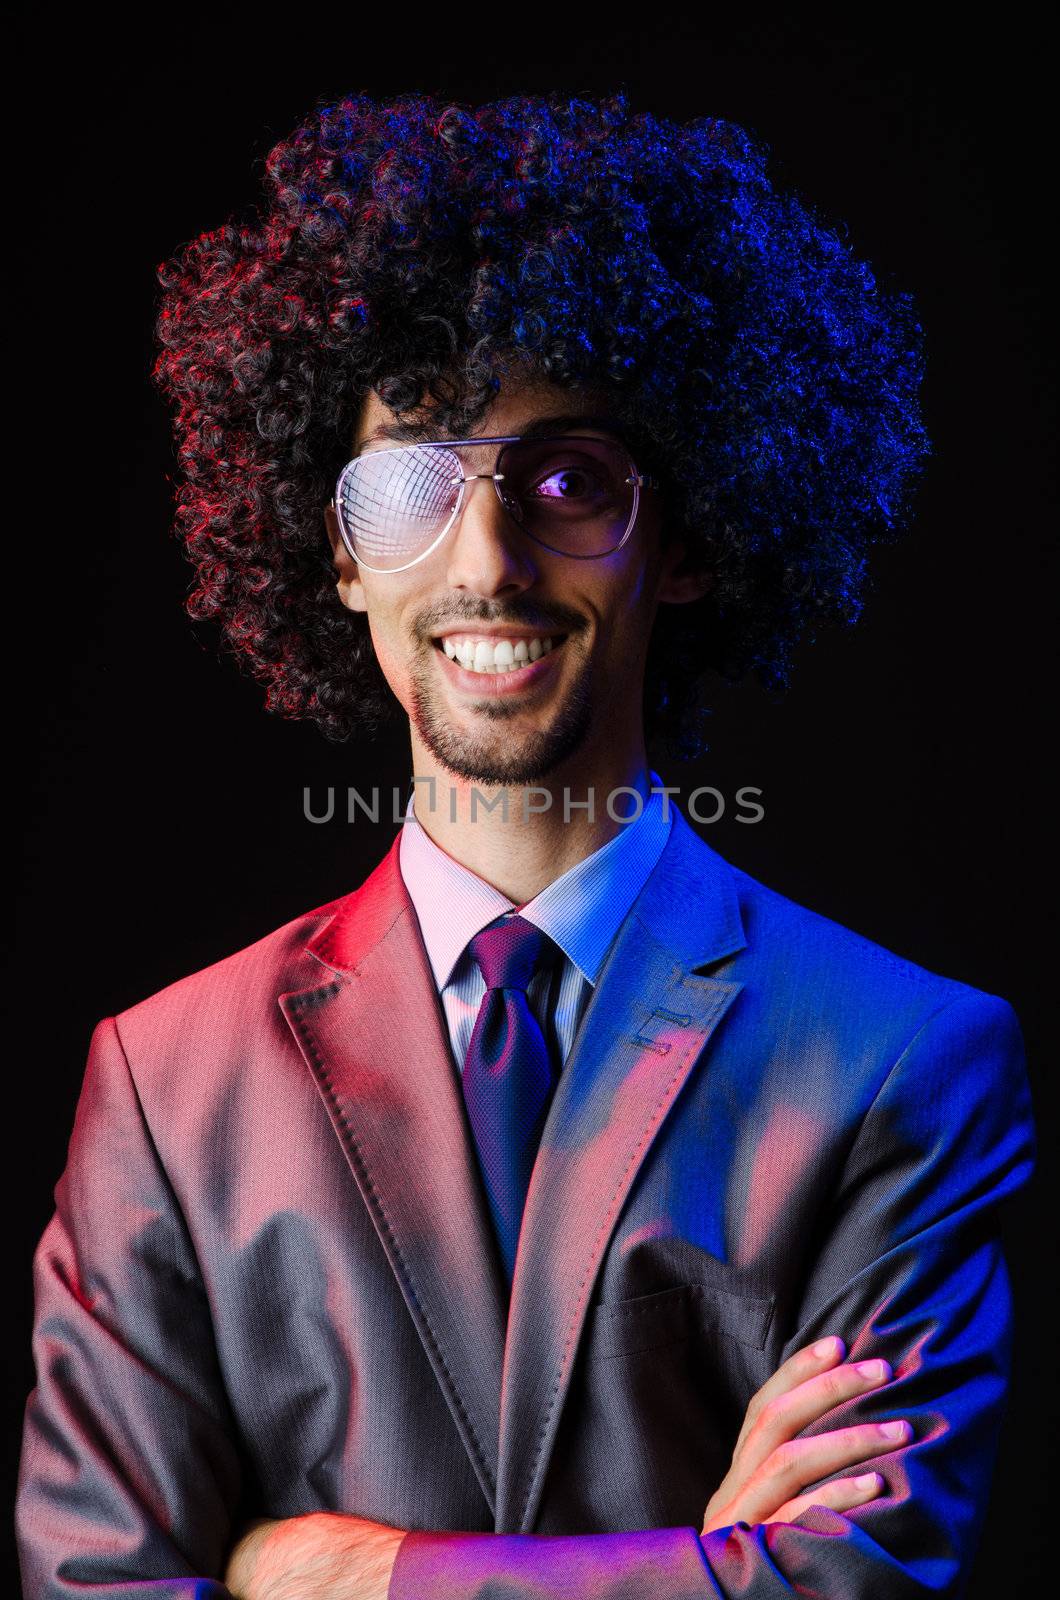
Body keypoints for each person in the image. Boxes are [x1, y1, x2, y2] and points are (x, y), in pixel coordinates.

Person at [17, 90, 1035, 1600]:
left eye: (568, 481)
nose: (486, 559)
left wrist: (346, 1576)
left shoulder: (907, 1059)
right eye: (412, 481)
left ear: (686, 542)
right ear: (340, 551)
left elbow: (854, 1583)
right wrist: (702, 1565)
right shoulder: (167, 1086)